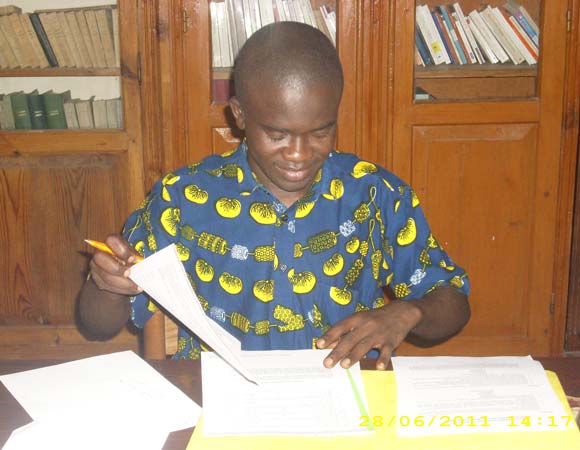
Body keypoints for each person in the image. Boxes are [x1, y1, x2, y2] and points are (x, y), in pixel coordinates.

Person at [78, 21, 470, 370]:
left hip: (342, 392)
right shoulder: (182, 199)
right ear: (239, 115)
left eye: (320, 132)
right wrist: (106, 285)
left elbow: (453, 301)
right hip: (225, 394)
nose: (299, 154)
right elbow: (97, 324)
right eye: (277, 134)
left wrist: (407, 313)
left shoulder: (375, 193)